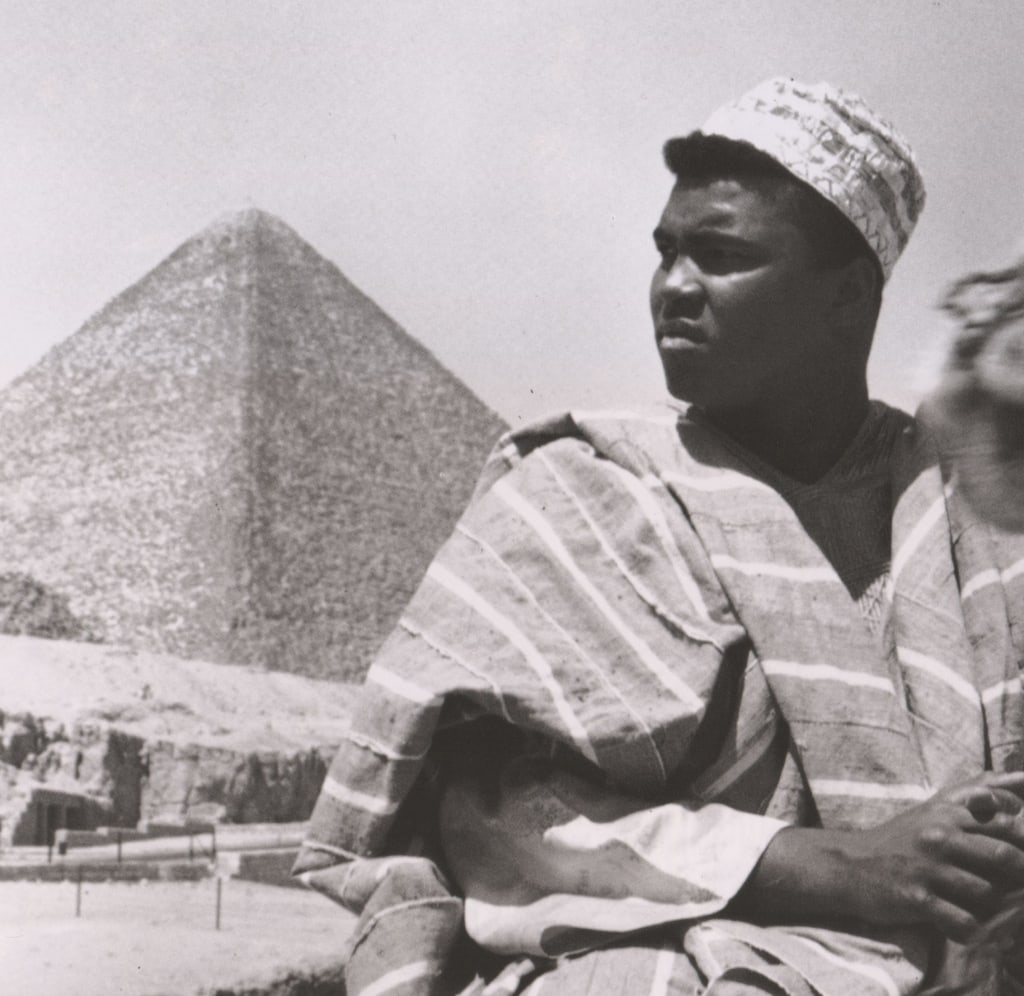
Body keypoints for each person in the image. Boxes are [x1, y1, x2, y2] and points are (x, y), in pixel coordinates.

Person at [293, 78, 1024, 995]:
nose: (675, 287)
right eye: (666, 252)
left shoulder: (970, 512)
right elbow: (493, 814)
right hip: (625, 962)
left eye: (720, 257)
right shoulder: (587, 491)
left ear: (847, 298)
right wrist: (844, 871)